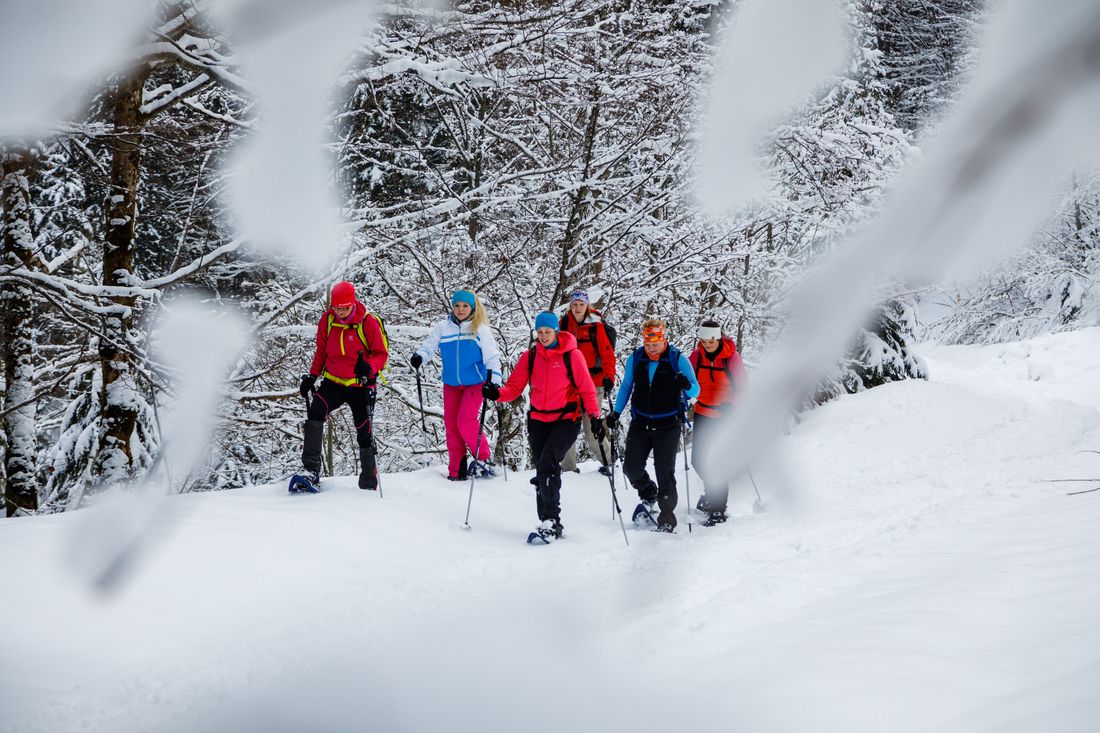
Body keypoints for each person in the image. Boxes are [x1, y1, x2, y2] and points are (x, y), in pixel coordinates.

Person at [483, 311, 603, 539]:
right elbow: (514, 388)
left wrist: (595, 418)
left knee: (548, 463)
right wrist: (496, 393)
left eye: (547, 332)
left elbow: (587, 389)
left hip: (566, 419)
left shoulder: (572, 355)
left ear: (556, 331)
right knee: (542, 469)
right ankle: (545, 521)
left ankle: (552, 521)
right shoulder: (530, 357)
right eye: (539, 332)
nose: (544, 336)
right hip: (538, 420)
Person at [605, 318, 699, 532]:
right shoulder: (637, 358)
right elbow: (627, 386)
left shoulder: (677, 359)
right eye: (647, 344)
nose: (651, 348)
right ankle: (649, 493)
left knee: (664, 471)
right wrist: (616, 412)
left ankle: (667, 516)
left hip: (668, 425)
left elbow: (695, 391)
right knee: (631, 468)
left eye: (655, 343)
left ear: (663, 339)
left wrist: (686, 385)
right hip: (641, 423)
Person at [298, 280, 389, 490]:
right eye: (336, 308)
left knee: (363, 431)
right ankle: (310, 471)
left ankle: (368, 480)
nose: (340, 313)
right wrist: (313, 376)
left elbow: (381, 354)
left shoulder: (368, 322)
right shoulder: (327, 321)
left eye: (344, 308)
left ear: (353, 303)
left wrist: (369, 367)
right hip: (333, 382)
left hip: (361, 385)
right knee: (315, 412)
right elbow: (321, 351)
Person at [411, 290, 503, 481]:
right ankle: (456, 470)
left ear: (472, 307)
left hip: (475, 384)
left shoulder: (479, 329)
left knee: (465, 421)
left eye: (465, 306)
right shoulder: (443, 327)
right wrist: (420, 356)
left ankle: (483, 460)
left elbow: (492, 358)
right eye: (457, 305)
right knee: (452, 426)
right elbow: (429, 346)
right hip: (451, 384)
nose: (460, 309)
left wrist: (494, 382)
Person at [689, 319, 748, 526]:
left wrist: (731, 405)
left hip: (724, 417)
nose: (707, 345)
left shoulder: (731, 358)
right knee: (698, 460)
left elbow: (743, 388)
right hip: (703, 413)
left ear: (718, 337)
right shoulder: (696, 357)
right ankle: (711, 490)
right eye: (704, 341)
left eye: (710, 341)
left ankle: (717, 508)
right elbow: (688, 381)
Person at [557, 289, 616, 476]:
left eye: (581, 305)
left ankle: (610, 463)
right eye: (574, 305)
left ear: (587, 306)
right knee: (567, 425)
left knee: (592, 428)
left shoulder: (596, 326)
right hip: (569, 384)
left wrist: (609, 377)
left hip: (593, 383)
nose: (577, 308)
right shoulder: (563, 324)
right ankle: (568, 468)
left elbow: (608, 355)